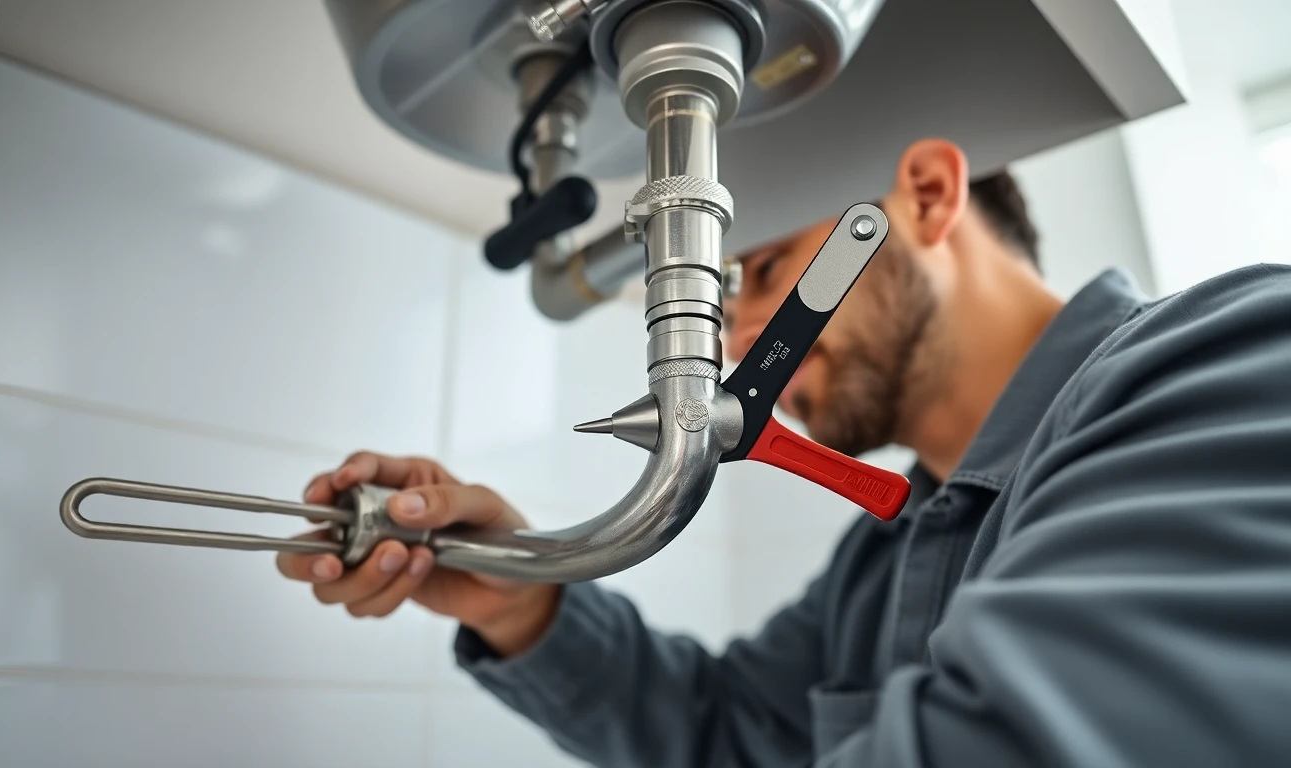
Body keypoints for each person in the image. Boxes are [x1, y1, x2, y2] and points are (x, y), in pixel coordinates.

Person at [275, 138, 1291, 766]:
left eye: (762, 271)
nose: (731, 339)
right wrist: (524, 598)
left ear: (929, 195)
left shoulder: (1230, 359)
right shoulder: (881, 557)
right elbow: (728, 734)